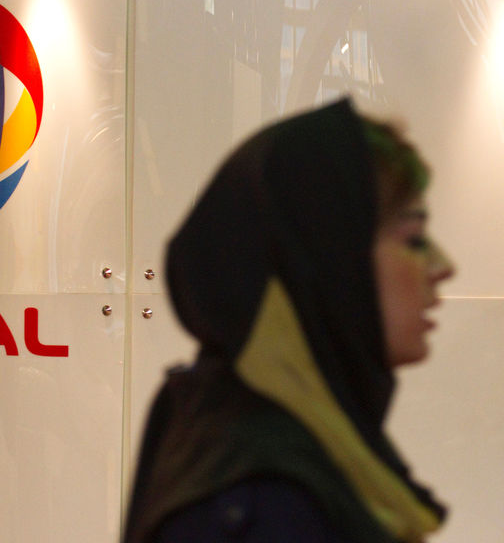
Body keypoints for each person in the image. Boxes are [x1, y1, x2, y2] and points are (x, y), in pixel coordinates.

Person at [123, 98, 455, 543]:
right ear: (329, 261)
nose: (443, 266)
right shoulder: (269, 500)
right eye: (413, 240)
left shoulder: (264, 439)